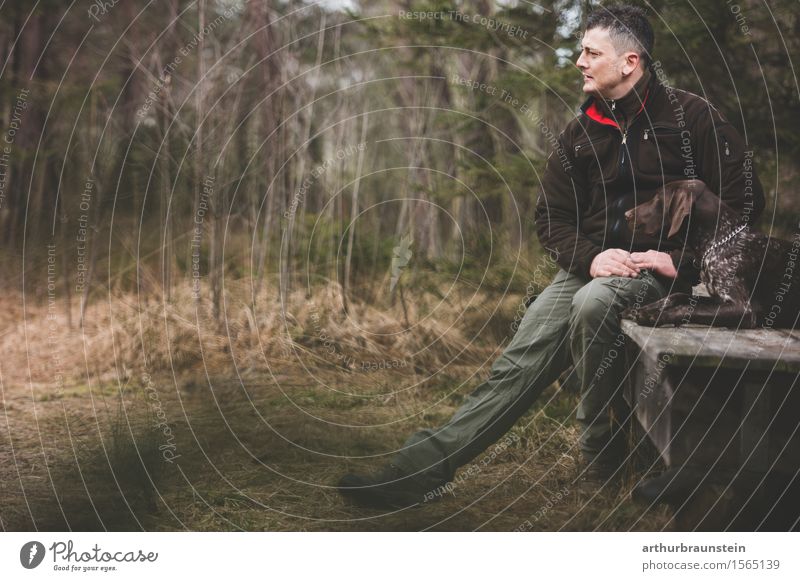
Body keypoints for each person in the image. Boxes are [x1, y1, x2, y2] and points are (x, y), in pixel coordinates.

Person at [337, 4, 765, 509]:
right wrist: (590, 259)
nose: (579, 62)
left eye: (590, 52)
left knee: (595, 304)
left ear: (629, 62)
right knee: (517, 365)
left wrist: (683, 262)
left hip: (663, 274)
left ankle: (598, 442)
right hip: (590, 267)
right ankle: (414, 473)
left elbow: (743, 203)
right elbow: (551, 218)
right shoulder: (580, 132)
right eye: (580, 51)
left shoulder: (692, 117)